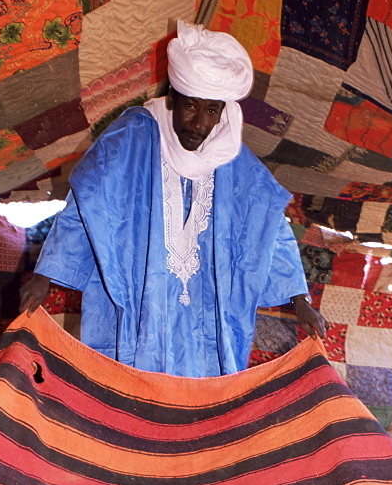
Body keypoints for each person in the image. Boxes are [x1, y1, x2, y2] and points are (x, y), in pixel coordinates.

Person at [20, 20, 327, 378]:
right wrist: (45, 274)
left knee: (205, 415)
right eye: (190, 106)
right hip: (141, 310)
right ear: (172, 100)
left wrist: (300, 301)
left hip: (209, 323)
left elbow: (269, 225)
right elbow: (89, 204)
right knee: (134, 403)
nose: (198, 123)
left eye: (211, 111)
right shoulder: (131, 137)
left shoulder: (232, 157)